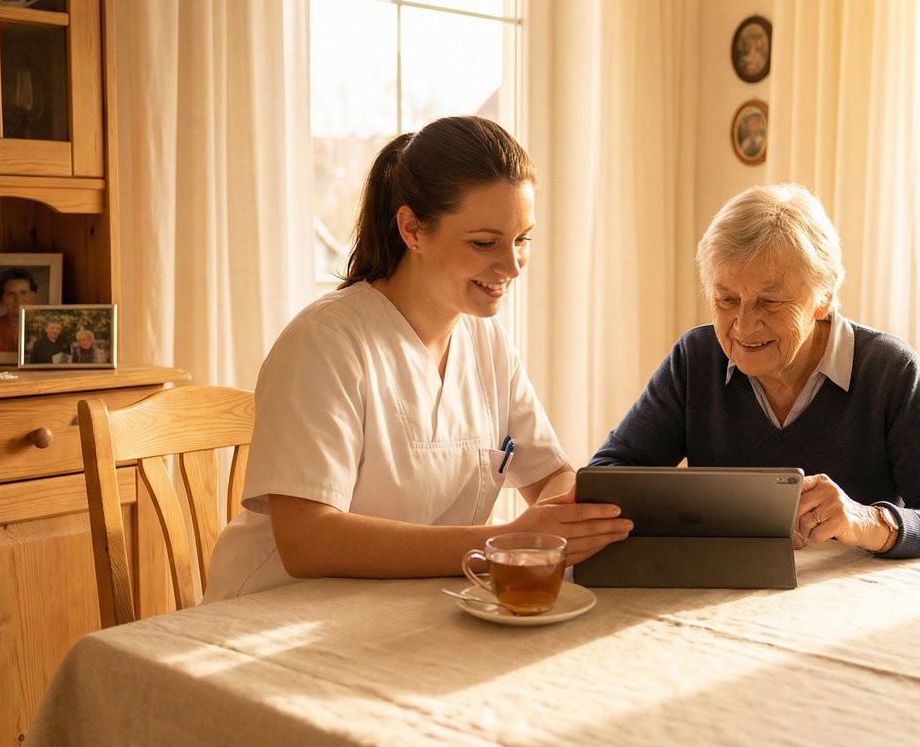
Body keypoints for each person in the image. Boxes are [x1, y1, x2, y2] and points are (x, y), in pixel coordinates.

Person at [204, 116, 633, 601]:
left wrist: (558, 523)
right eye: (484, 243)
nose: (511, 265)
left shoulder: (488, 342)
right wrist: (500, 544)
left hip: (402, 608)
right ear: (411, 229)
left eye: (522, 239)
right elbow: (307, 541)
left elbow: (552, 474)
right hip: (272, 612)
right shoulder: (324, 342)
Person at [589, 183, 920, 563]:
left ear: (824, 297)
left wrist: (867, 521)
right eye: (726, 299)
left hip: (854, 606)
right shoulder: (696, 359)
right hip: (725, 595)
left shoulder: (889, 370)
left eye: (771, 301)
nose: (743, 326)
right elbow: (604, 482)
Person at [0, 268, 37, 352]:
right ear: (1, 300)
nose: (18, 299)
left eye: (23, 293)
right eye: (11, 294)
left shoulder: (47, 328)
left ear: (32, 296)